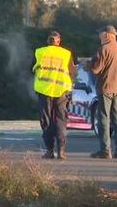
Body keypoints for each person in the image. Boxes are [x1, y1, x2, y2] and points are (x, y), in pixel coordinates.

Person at [32, 31, 76, 160]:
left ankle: (50, 151)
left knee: (46, 121)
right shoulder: (66, 54)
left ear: (47, 41)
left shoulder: (40, 52)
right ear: (59, 41)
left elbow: (32, 68)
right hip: (61, 91)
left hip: (44, 91)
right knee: (61, 120)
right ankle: (61, 151)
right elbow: (72, 72)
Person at [89, 25, 117, 159]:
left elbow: (96, 69)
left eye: (101, 34)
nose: (99, 36)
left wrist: (88, 65)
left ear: (107, 35)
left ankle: (105, 150)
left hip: (105, 88)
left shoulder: (103, 49)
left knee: (103, 119)